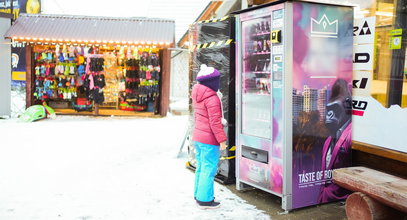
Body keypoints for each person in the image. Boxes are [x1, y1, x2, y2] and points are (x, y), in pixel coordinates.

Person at [192, 64, 227, 209]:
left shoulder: (197, 94)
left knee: (201, 167)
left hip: (198, 137)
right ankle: (205, 200)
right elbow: (215, 123)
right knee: (208, 169)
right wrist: (222, 140)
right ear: (212, 82)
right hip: (209, 140)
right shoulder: (212, 98)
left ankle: (198, 194)